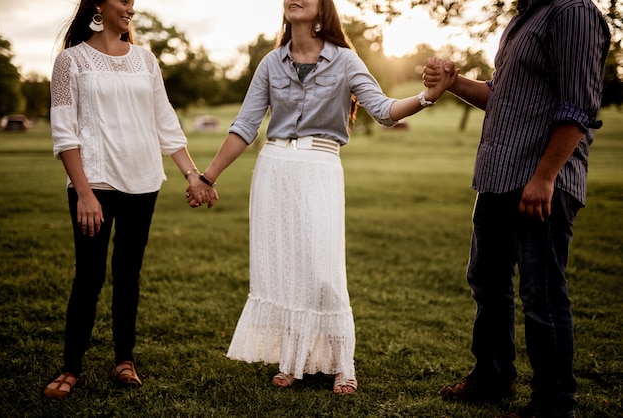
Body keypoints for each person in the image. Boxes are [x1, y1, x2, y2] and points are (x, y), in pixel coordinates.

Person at [186, 0, 452, 395]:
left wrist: (428, 96)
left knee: (323, 270)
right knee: (286, 268)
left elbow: (383, 110)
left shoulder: (345, 61)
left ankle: (343, 365)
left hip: (320, 168)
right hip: (274, 168)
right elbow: (245, 125)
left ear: (322, 8)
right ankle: (292, 361)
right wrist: (206, 176)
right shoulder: (270, 64)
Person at [423, 0, 610, 416]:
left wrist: (544, 177)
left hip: (540, 180)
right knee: (487, 281)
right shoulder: (521, 19)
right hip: (497, 176)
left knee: (541, 294)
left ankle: (553, 402)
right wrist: (454, 82)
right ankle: (491, 376)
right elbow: (500, 98)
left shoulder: (573, 11)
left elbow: (578, 107)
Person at [43, 0, 208, 399]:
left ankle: (124, 360)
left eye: (134, 2)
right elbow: (64, 132)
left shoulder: (145, 60)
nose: (130, 8)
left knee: (128, 275)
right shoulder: (71, 61)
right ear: (99, 4)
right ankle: (70, 368)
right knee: (89, 276)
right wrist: (83, 192)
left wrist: (193, 175)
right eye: (123, 1)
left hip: (144, 182)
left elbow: (165, 122)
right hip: (94, 184)